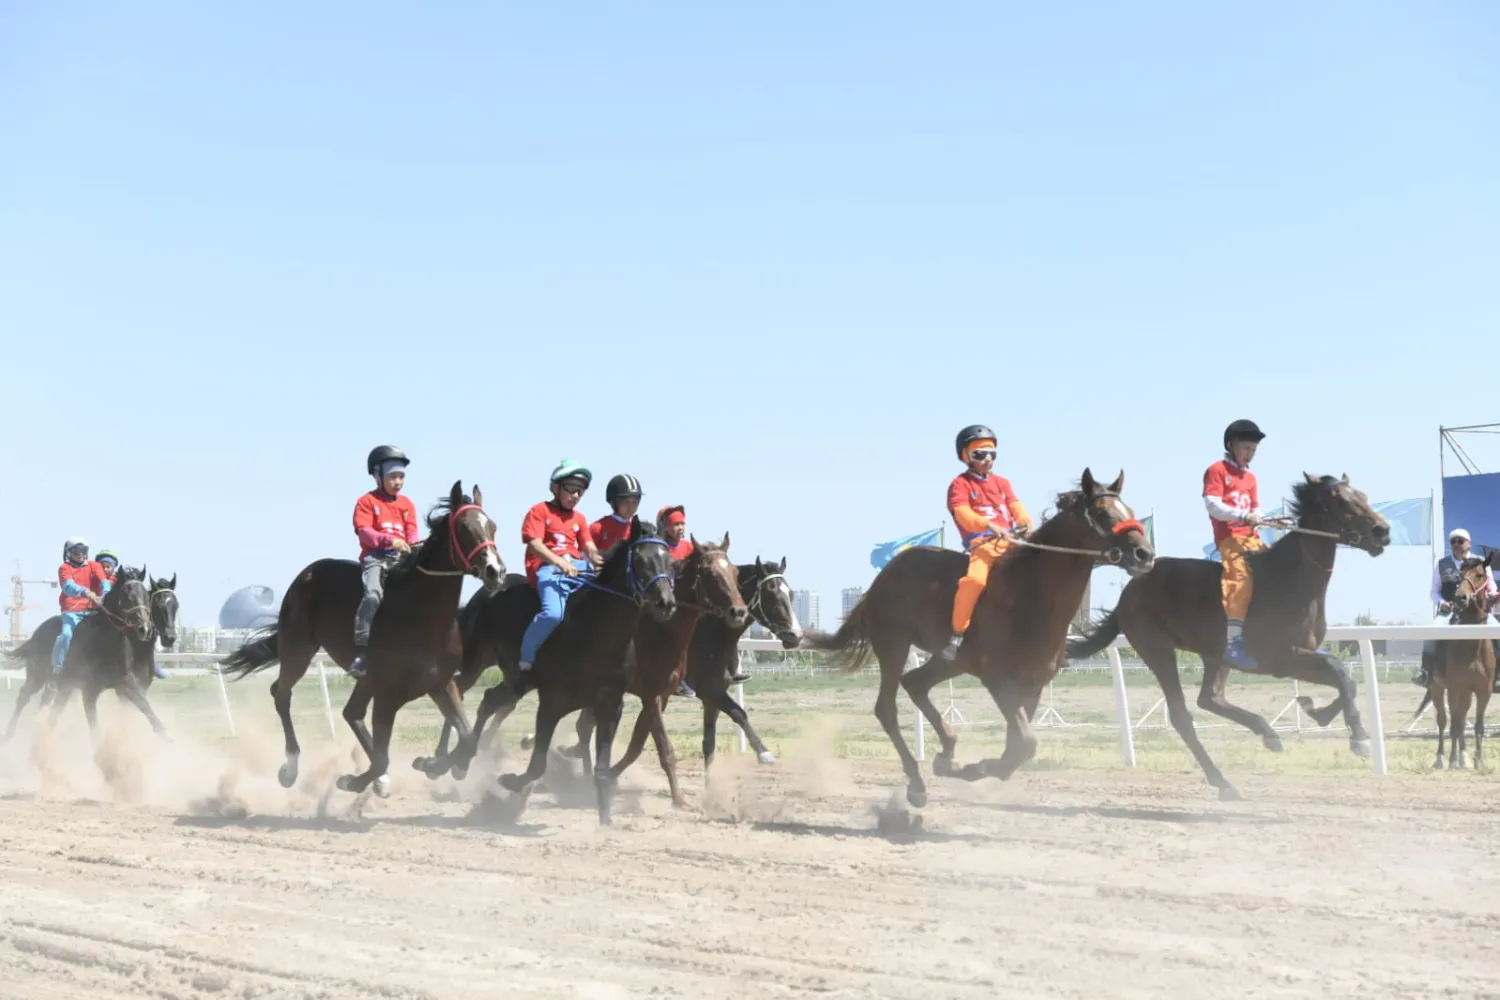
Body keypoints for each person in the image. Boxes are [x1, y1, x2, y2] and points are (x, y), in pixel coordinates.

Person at [935, 425, 1033, 663]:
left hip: (1012, 542)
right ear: (966, 456)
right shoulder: (959, 484)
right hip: (984, 545)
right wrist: (989, 525)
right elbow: (962, 515)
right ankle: (958, 634)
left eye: (992, 454)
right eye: (980, 454)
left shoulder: (1003, 483)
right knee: (974, 581)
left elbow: (1017, 508)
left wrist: (1026, 524)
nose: (988, 459)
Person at [518, 460, 604, 672]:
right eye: (571, 489)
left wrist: (600, 563)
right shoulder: (539, 510)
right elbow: (535, 544)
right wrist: (560, 562)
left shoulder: (580, 519)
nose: (575, 496)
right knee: (553, 614)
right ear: (556, 487)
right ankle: (526, 656)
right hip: (549, 569)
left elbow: (589, 548)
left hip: (578, 567)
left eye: (580, 492)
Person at [348, 445, 420, 679]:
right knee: (372, 595)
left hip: (402, 559)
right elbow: (365, 533)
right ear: (377, 475)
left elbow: (412, 535)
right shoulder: (366, 502)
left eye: (401, 476)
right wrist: (389, 541)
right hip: (375, 558)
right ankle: (360, 653)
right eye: (393, 476)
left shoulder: (407, 504)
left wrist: (415, 547)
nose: (398, 481)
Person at [1204, 419, 1266, 668]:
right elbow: (1212, 505)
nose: (1250, 454)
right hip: (1229, 539)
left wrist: (1259, 517)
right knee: (1240, 579)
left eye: (1253, 450)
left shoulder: (1250, 477)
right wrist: (1242, 516)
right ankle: (1233, 642)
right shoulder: (1216, 470)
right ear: (1231, 445)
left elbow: (1255, 507)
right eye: (1246, 449)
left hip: (1253, 539)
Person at [1414, 527, 1499, 689]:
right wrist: (1442, 603)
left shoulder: (1481, 561)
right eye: (1453, 541)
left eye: (1460, 541)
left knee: (1498, 632)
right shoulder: (1442, 564)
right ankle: (1425, 673)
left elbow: (1491, 585)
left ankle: (1498, 675)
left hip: (1478, 613)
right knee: (1430, 635)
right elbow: (1434, 592)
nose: (1456, 544)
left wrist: (1493, 595)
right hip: (1450, 612)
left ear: (1469, 544)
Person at [51, 537, 108, 690]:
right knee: (66, 635)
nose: (82, 554)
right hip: (72, 611)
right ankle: (57, 668)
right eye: (78, 551)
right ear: (69, 552)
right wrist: (85, 592)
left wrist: (106, 594)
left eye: (85, 551)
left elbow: (104, 581)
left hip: (93, 609)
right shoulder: (64, 568)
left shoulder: (94, 566)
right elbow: (68, 587)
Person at [590, 474, 643, 558]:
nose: (631, 507)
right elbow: (585, 555)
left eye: (634, 502)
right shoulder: (598, 528)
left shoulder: (640, 529)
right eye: (626, 502)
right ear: (613, 502)